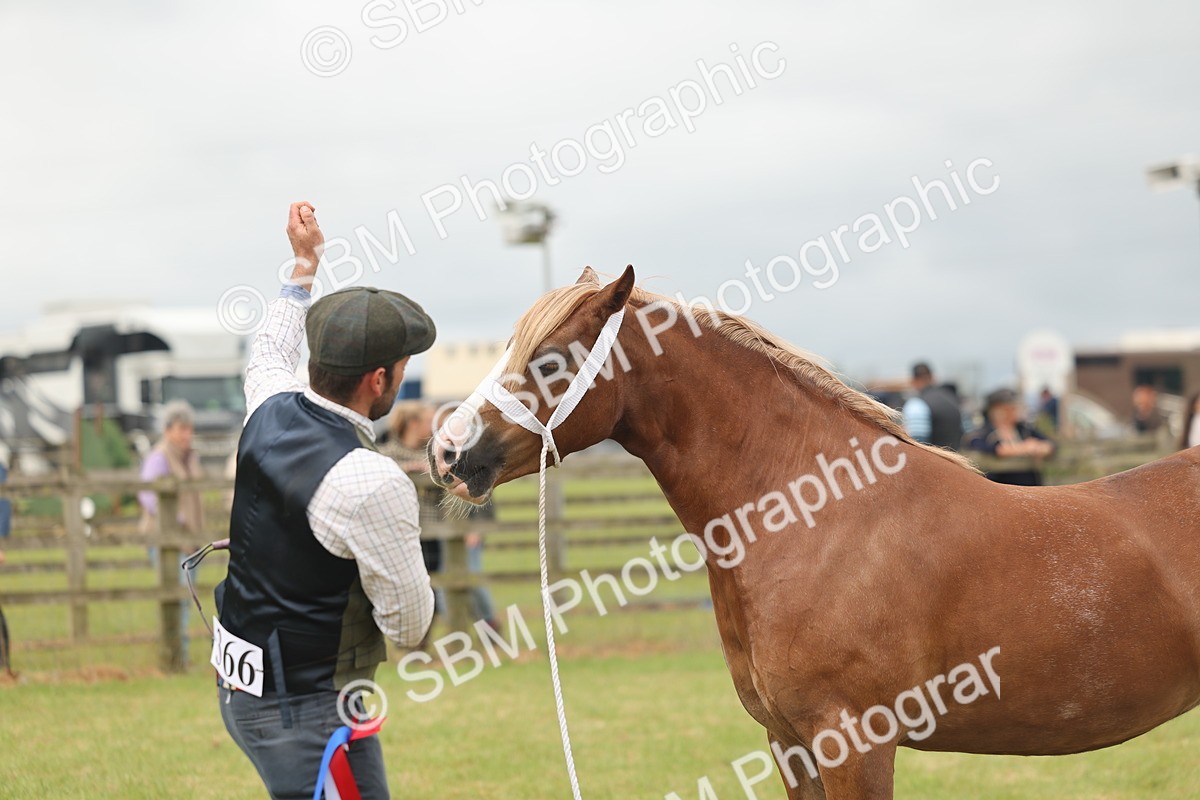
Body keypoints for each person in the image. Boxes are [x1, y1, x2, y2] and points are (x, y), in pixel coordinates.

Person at [215, 202, 436, 800]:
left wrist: (304, 264)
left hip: (244, 690)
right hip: (308, 710)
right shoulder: (372, 481)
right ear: (379, 381)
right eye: (402, 363)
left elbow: (271, 344)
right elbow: (410, 625)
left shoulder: (266, 402)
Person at [380, 402, 500, 634]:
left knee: (457, 581)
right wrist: (407, 469)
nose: (436, 427)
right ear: (413, 424)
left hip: (442, 532)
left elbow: (477, 488)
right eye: (428, 421)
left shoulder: (442, 454)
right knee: (424, 587)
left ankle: (482, 629)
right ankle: (420, 639)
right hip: (410, 533)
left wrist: (474, 527)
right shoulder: (388, 453)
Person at [137, 400, 205, 662]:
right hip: (168, 540)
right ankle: (176, 655)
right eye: (180, 429)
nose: (186, 434)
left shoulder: (191, 457)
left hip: (189, 541)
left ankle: (179, 652)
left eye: (189, 429)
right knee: (177, 597)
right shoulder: (159, 457)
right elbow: (147, 495)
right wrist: (176, 519)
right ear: (167, 430)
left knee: (186, 597)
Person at [966, 388, 1055, 486]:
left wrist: (1042, 448)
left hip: (1029, 487)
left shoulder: (1025, 430)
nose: (1015, 411)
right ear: (995, 411)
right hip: (998, 488)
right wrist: (1024, 448)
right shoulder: (983, 433)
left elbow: (1050, 444)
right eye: (1009, 408)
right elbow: (992, 449)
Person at [901, 362, 964, 451]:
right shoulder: (952, 399)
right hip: (955, 460)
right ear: (933, 377)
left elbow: (917, 442)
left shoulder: (917, 404)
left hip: (931, 461)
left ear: (913, 381)